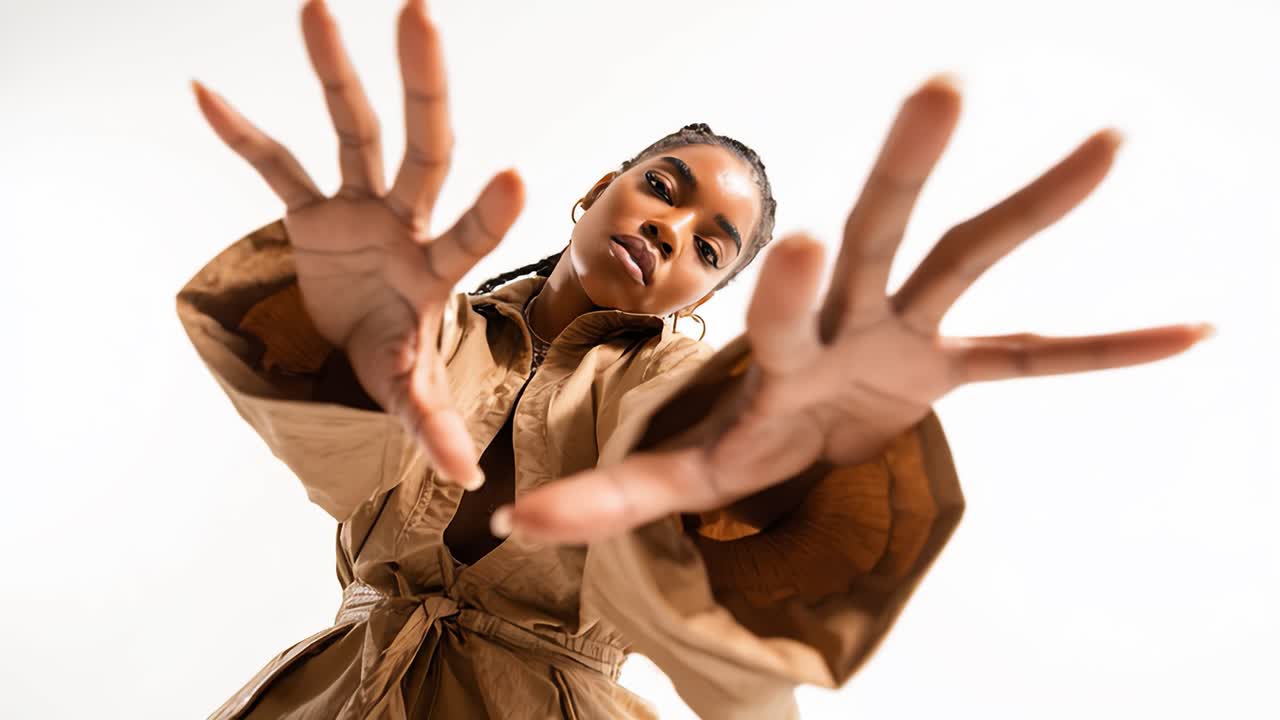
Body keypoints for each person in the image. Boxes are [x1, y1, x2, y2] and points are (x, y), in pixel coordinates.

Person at [178, 1, 1211, 717]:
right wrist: (338, 313)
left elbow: (687, 496)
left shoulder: (669, 384)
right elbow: (354, 449)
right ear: (599, 190)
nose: (674, 231)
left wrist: (789, 463)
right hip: (321, 696)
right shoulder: (444, 334)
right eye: (665, 190)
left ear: (706, 297)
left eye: (710, 247)